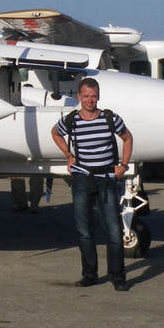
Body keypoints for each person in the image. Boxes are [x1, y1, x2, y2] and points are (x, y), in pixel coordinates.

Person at [51, 77, 134, 291]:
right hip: (81, 179)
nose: (90, 100)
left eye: (94, 96)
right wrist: (69, 155)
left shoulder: (109, 118)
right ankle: (89, 274)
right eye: (86, 96)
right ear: (79, 97)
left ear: (98, 97)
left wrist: (123, 166)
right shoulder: (71, 120)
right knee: (84, 230)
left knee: (114, 231)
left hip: (107, 180)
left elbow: (127, 138)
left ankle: (118, 277)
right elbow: (55, 133)